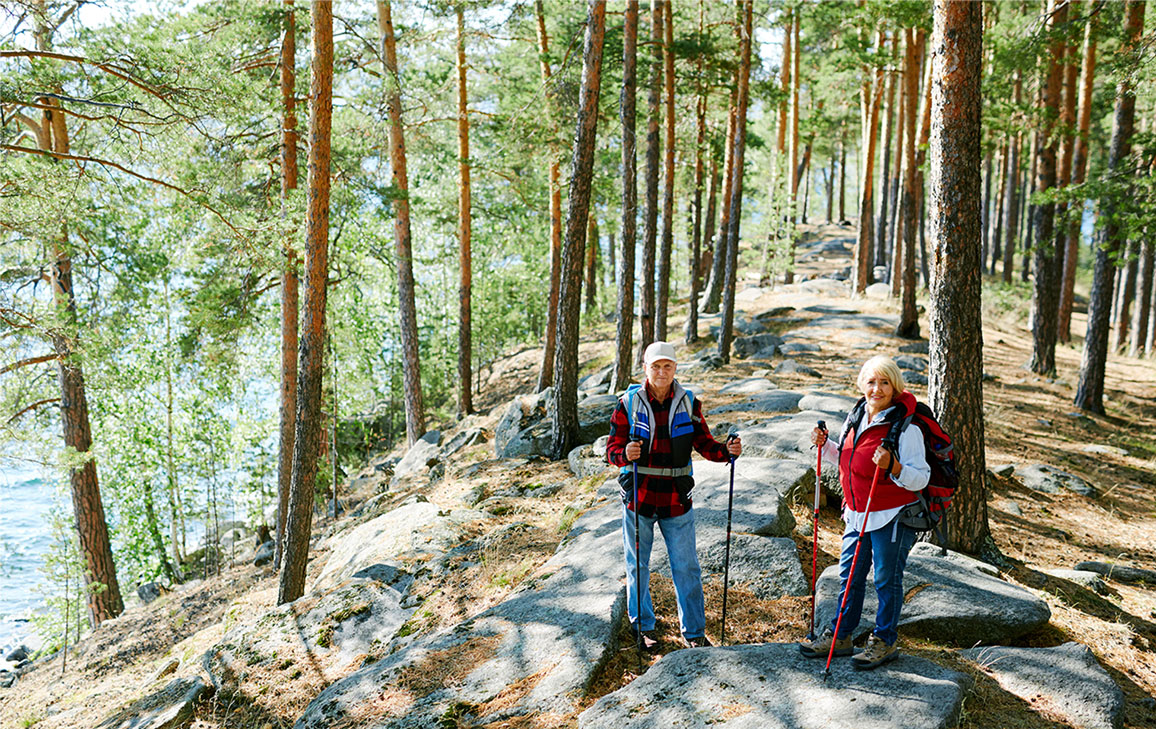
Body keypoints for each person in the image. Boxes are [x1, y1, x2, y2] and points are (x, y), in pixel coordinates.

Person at [605, 341, 742, 650]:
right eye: (655, 366)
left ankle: (693, 632)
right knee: (637, 565)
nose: (662, 372)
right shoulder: (627, 404)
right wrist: (625, 453)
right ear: (645, 368)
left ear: (675, 368)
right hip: (638, 497)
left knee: (687, 566)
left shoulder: (689, 403)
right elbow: (611, 451)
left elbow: (705, 444)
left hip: (677, 499)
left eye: (667, 366)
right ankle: (644, 628)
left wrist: (727, 451)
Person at [799, 355, 930, 670]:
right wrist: (825, 445)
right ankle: (841, 635)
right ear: (862, 384)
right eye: (871, 382)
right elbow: (845, 460)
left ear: (895, 386)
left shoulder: (906, 427)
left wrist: (893, 466)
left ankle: (884, 640)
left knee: (886, 579)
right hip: (857, 513)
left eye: (884, 382)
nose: (877, 389)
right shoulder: (856, 416)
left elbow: (921, 477)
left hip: (891, 515)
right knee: (850, 576)